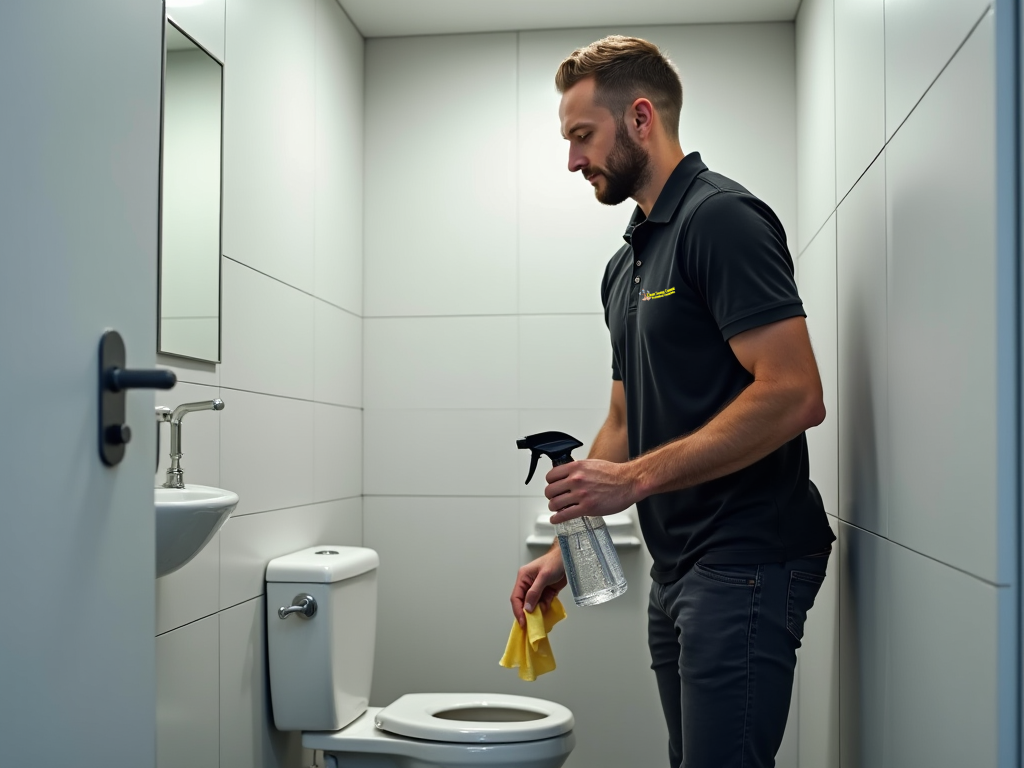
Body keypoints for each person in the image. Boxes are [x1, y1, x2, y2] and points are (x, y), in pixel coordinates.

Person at [508, 36, 836, 768]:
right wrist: (574, 545)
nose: (572, 161)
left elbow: (795, 394)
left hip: (747, 554)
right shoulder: (625, 265)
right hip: (678, 563)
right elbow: (624, 422)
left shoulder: (721, 219)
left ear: (641, 118)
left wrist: (629, 481)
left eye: (581, 136)